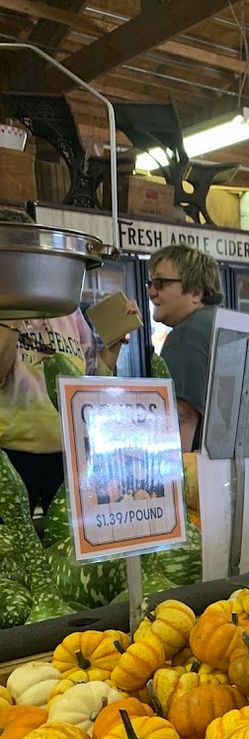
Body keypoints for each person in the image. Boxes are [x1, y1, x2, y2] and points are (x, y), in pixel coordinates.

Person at [0, 207, 133, 511]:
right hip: (11, 459)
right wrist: (13, 314)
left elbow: (87, 384)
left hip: (70, 457)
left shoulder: (66, 308)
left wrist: (109, 354)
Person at [149, 244, 249, 493]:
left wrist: (170, 491)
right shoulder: (229, 322)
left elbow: (183, 419)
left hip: (235, 486)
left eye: (161, 283)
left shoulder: (185, 336)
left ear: (196, 292)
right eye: (150, 282)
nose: (151, 291)